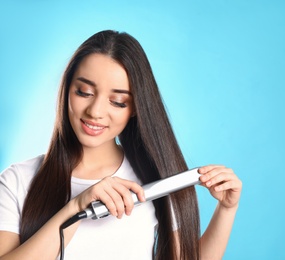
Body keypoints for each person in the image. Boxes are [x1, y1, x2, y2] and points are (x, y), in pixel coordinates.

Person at [0, 30, 242, 260]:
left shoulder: (154, 182)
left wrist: (226, 210)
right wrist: (75, 208)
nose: (95, 112)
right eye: (84, 92)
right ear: (66, 91)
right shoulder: (18, 180)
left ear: (136, 108)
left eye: (117, 102)